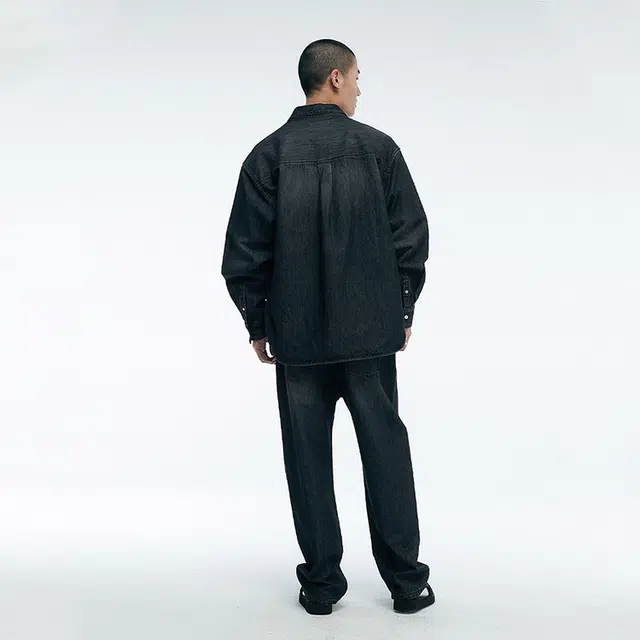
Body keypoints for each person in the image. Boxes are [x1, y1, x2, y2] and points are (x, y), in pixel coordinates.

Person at [221, 39, 433, 615]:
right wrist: (402, 311)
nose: (361, 88)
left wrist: (259, 324)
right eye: (358, 76)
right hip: (369, 338)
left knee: (307, 460)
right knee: (386, 453)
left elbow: (243, 255)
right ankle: (407, 584)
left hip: (297, 340)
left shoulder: (266, 157)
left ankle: (320, 586)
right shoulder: (379, 150)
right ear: (335, 78)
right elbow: (411, 238)